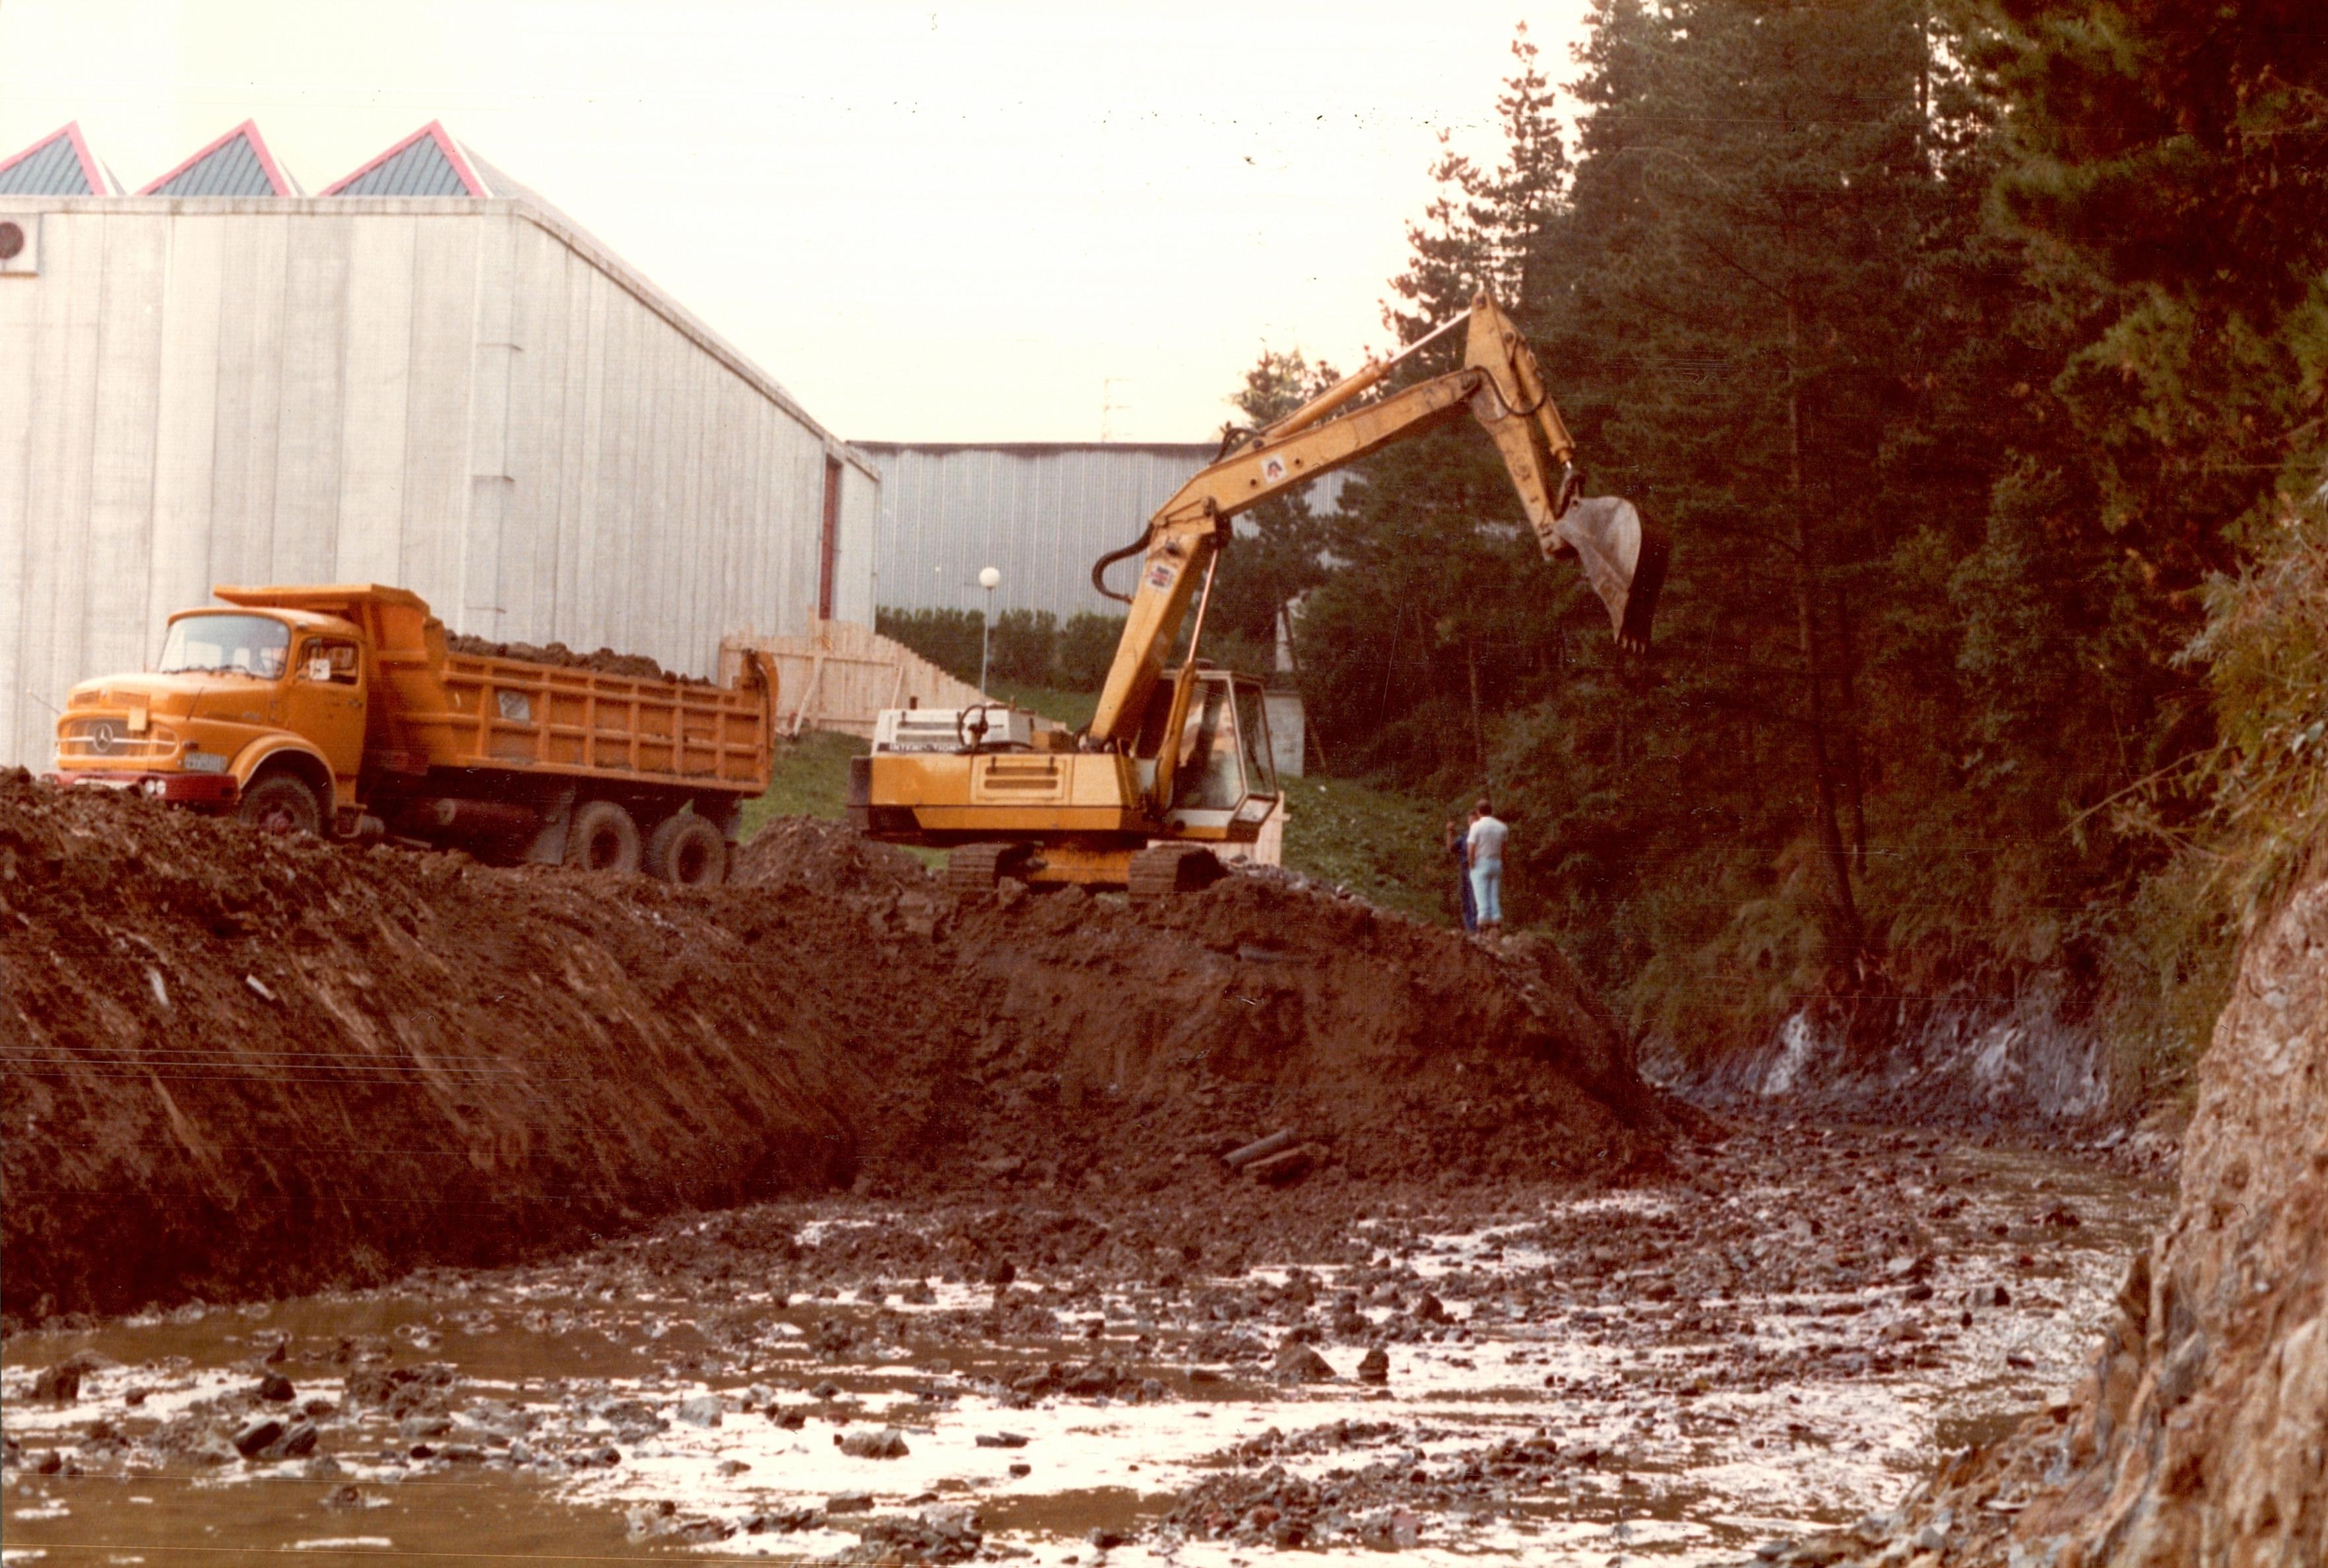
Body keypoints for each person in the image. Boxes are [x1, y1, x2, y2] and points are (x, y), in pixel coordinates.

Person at [1466, 797, 1508, 938]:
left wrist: (1472, 865)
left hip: (1481, 862)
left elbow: (1471, 848)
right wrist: (1503, 862)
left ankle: (1484, 922)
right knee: (1493, 894)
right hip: (1496, 862)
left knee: (1481, 894)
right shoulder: (1502, 827)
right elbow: (1504, 849)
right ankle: (1496, 919)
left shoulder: (1476, 827)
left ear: (1478, 812)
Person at [1443, 817, 1476, 933]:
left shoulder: (1480, 836)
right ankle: (1470, 929)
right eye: (1470, 821)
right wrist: (1450, 832)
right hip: (1464, 870)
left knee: (1474, 898)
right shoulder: (1465, 836)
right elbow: (1451, 848)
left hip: (1475, 868)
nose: (1472, 823)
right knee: (1465, 898)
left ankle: (1476, 928)